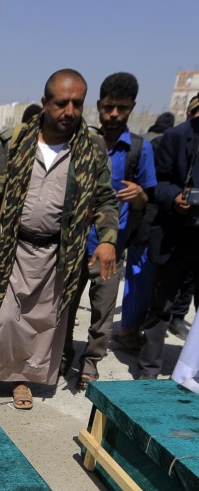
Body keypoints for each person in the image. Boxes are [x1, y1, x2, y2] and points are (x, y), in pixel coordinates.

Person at [0, 69, 119, 409]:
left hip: (57, 254)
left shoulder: (91, 147)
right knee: (1, 316)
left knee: (41, 324)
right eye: (61, 103)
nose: (69, 111)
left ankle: (24, 380)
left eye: (77, 104)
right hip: (13, 247)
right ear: (45, 102)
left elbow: (106, 199)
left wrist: (107, 239)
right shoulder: (15, 139)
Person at [61, 72, 156, 390]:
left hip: (110, 247)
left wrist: (139, 196)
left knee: (102, 311)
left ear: (132, 108)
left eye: (122, 108)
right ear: (98, 106)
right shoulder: (81, 143)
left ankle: (89, 363)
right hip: (74, 243)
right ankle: (61, 355)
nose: (114, 114)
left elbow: (148, 202)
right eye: (108, 107)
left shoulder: (139, 150)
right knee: (65, 304)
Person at [136, 98, 199, 379]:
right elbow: (154, 184)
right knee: (161, 305)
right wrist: (174, 197)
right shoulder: (176, 137)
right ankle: (148, 371)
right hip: (176, 235)